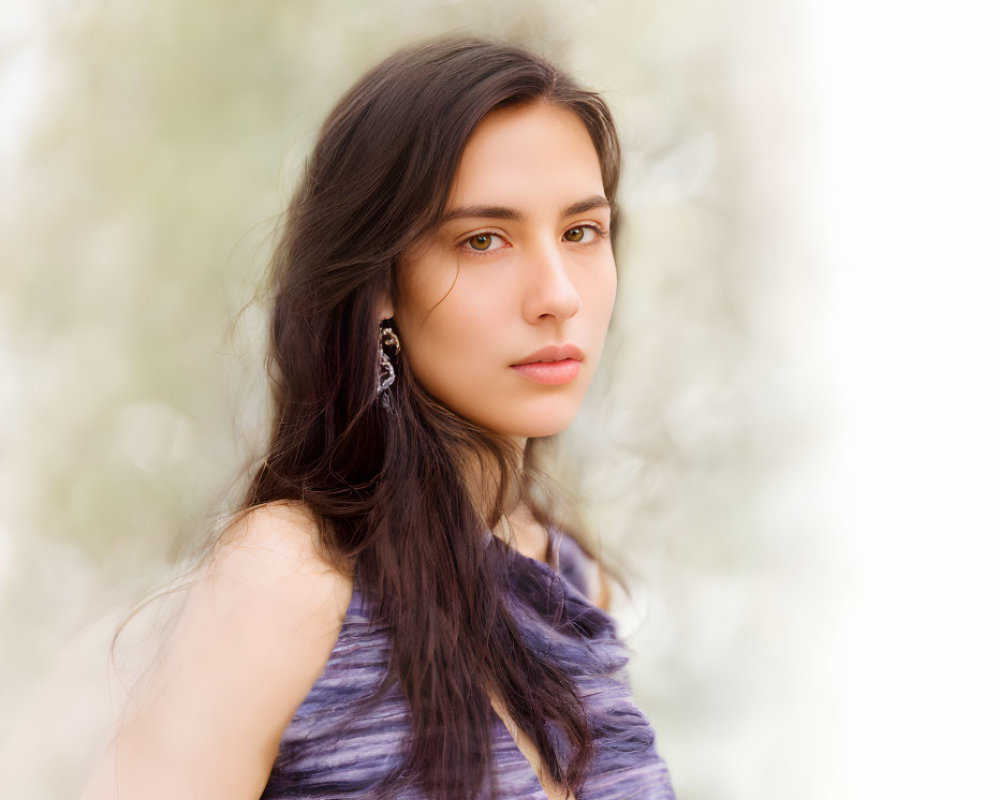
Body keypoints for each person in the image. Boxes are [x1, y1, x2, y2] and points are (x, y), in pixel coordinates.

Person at [81, 38, 675, 800]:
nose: (557, 293)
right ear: (379, 285)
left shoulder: (566, 577)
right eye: (484, 240)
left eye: (580, 232)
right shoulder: (295, 572)